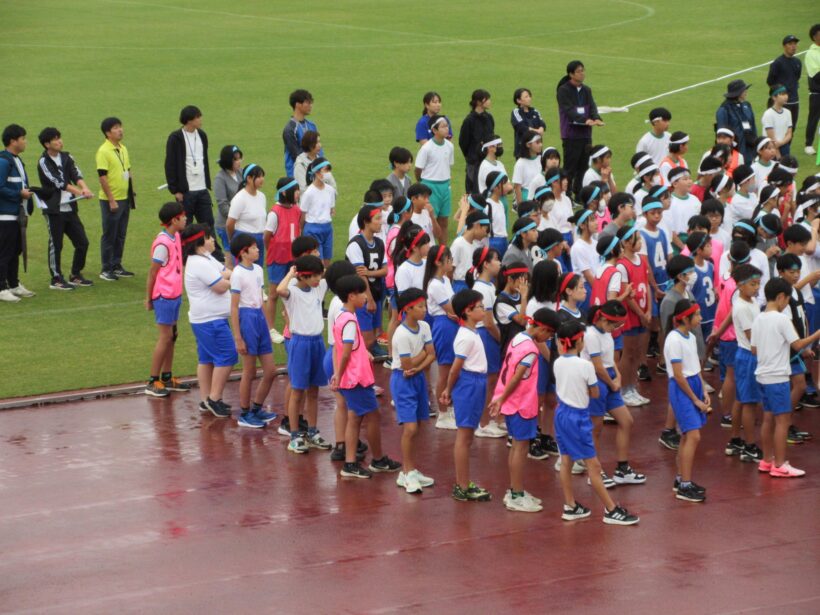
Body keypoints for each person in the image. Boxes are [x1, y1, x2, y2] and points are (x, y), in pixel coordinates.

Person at [553, 318, 640, 524]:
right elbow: (594, 393)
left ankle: (570, 505)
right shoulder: (586, 366)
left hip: (561, 414)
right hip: (578, 418)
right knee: (594, 465)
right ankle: (611, 510)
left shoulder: (557, 362)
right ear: (580, 342)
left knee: (566, 461)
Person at [331, 273, 401, 479]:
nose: (365, 297)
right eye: (362, 293)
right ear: (351, 296)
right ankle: (375, 460)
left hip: (352, 378)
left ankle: (351, 463)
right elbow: (344, 352)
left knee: (355, 417)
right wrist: (339, 374)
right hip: (356, 379)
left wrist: (364, 353)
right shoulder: (351, 320)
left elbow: (348, 346)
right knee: (371, 416)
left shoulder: (342, 316)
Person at [489, 307, 557, 513]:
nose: (548, 339)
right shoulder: (531, 349)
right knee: (521, 448)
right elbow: (517, 376)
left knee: (517, 447)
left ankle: (514, 490)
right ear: (543, 329)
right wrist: (502, 398)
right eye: (549, 334)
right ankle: (516, 494)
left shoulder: (518, 338)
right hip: (521, 404)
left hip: (512, 403)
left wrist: (501, 397)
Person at [752, 277, 820, 477]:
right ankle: (780, 465)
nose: (786, 305)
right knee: (782, 421)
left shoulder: (758, 318)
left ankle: (767, 460)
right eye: (787, 301)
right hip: (778, 376)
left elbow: (754, 349)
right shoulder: (782, 319)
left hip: (763, 375)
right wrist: (817, 334)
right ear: (781, 297)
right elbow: (798, 345)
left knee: (767, 419)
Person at [439, 289, 493, 501]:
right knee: (464, 436)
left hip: (475, 383)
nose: (483, 309)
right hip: (469, 384)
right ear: (468, 311)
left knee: (468, 435)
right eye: (479, 306)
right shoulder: (465, 337)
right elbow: (454, 369)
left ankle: (463, 482)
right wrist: (448, 390)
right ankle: (462, 485)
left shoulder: (472, 332)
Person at [276, 255, 332, 454]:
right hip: (300, 343)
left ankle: (313, 431)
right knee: (298, 391)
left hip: (317, 342)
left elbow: (332, 274)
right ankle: (294, 435)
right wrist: (291, 272)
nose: (319, 279)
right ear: (303, 276)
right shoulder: (292, 292)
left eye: (320, 275)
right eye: (315, 275)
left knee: (314, 390)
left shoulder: (318, 287)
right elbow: (279, 290)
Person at [181, 224, 236, 418]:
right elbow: (221, 286)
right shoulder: (200, 263)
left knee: (206, 359)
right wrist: (238, 283)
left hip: (205, 320)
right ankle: (214, 398)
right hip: (211, 321)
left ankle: (206, 400)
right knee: (228, 355)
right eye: (209, 237)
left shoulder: (205, 259)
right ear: (199, 242)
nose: (213, 240)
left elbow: (226, 272)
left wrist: (227, 278)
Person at [229, 234, 278, 429]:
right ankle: (245, 412)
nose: (258, 250)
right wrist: (238, 337)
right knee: (249, 371)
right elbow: (234, 307)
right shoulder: (237, 274)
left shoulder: (258, 270)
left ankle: (257, 407)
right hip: (247, 318)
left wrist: (269, 327)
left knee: (271, 370)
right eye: (254, 247)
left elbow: (260, 298)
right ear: (243, 252)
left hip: (258, 316)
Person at [392, 288, 437, 494]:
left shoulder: (425, 326)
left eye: (424, 306)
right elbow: (406, 364)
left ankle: (411, 469)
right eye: (420, 306)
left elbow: (432, 354)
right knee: (409, 429)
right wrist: (418, 362)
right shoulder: (401, 334)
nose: (424, 310)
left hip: (417, 378)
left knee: (417, 426)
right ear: (408, 309)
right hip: (402, 381)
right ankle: (406, 472)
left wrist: (417, 367)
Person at [35, 127, 93, 290]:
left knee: (82, 242)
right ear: (47, 144)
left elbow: (76, 174)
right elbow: (58, 182)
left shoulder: (67, 157)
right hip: (54, 209)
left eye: (60, 137)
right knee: (56, 244)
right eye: (55, 139)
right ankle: (56, 278)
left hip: (69, 208)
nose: (60, 141)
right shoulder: (43, 162)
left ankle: (75, 274)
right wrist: (80, 191)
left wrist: (84, 187)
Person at [664, 299, 710, 503]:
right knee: (694, 436)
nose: (700, 318)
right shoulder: (673, 340)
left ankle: (681, 480)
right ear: (684, 318)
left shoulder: (690, 337)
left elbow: (695, 367)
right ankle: (685, 485)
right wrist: (695, 399)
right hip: (682, 388)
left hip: (693, 384)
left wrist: (703, 389)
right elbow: (678, 375)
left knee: (686, 436)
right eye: (697, 315)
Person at [144, 201, 189, 397]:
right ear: (174, 220)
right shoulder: (162, 244)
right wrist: (149, 298)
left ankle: (167, 377)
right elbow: (152, 273)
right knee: (165, 337)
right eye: (183, 216)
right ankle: (153, 381)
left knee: (173, 336)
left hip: (174, 293)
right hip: (164, 295)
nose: (186, 218)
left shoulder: (176, 236)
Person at [165, 106, 222, 260]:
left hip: (202, 188)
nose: (200, 120)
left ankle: (215, 255)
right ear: (189, 120)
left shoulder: (202, 135)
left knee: (208, 224)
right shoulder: (176, 138)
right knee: (184, 225)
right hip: (186, 191)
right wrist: (175, 190)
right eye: (198, 117)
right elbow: (170, 164)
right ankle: (182, 256)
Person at [556, 60, 603, 198]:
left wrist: (596, 118)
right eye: (579, 71)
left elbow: (592, 106)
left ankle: (579, 194)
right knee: (570, 168)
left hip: (586, 134)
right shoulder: (563, 90)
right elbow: (569, 110)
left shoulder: (586, 90)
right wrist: (585, 120)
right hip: (571, 134)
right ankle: (566, 194)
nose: (582, 73)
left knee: (583, 166)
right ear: (571, 74)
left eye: (583, 70)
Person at [96, 117, 135, 281]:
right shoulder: (103, 151)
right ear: (107, 133)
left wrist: (132, 191)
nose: (120, 130)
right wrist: (111, 199)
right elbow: (102, 178)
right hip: (111, 200)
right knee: (110, 234)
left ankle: (116, 264)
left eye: (120, 126)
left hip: (124, 198)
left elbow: (128, 170)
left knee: (121, 233)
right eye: (116, 128)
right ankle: (106, 268)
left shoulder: (123, 148)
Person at [346, 204, 387, 356]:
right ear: (366, 222)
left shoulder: (379, 243)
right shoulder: (356, 244)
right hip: (362, 296)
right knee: (367, 339)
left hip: (376, 293)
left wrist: (370, 272)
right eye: (377, 219)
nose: (381, 222)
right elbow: (360, 275)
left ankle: (370, 352)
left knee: (374, 333)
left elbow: (385, 270)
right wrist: (368, 298)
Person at [264, 177, 301, 343]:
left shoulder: (296, 209)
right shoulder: (274, 213)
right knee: (273, 295)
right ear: (285, 192)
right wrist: (274, 250)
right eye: (296, 190)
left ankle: (291, 324)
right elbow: (267, 237)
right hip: (278, 259)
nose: (298, 193)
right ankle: (270, 329)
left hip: (292, 259)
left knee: (291, 291)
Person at [415, 115, 454, 243]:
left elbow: (448, 166)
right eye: (443, 126)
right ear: (434, 130)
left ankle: (443, 251)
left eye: (447, 125)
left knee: (444, 220)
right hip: (430, 186)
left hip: (445, 186)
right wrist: (422, 185)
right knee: (431, 220)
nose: (446, 128)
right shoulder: (426, 148)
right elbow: (418, 169)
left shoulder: (449, 146)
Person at [227, 164, 267, 267]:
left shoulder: (262, 196)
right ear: (249, 178)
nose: (262, 179)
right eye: (258, 177)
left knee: (257, 270)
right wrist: (233, 239)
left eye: (262, 176)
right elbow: (230, 224)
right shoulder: (240, 198)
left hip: (259, 240)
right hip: (244, 240)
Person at [300, 158, 336, 266]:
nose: (328, 174)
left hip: (327, 228)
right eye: (325, 170)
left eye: (329, 171)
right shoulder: (309, 193)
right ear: (316, 172)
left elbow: (331, 209)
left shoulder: (330, 190)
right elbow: (303, 215)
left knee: (327, 261)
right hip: (312, 229)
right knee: (317, 263)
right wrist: (302, 232)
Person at [458, 89, 494, 194]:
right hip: (474, 162)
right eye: (486, 99)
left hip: (488, 159)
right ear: (478, 102)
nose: (489, 102)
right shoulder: (469, 120)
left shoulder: (489, 118)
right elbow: (463, 142)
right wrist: (471, 155)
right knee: (473, 190)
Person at [767, 35, 802, 135]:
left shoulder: (798, 62)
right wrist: (780, 94)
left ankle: (786, 150)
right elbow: (770, 81)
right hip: (782, 102)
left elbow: (797, 78)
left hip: (795, 101)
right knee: (779, 130)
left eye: (795, 44)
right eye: (790, 44)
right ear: (784, 46)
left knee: (791, 129)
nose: (793, 46)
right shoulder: (777, 63)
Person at [716, 79, 757, 164]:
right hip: (735, 151)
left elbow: (753, 127)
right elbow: (722, 135)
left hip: (749, 149)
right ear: (738, 93)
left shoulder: (747, 105)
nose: (746, 92)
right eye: (744, 90)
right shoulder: (724, 110)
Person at [282, 89, 319, 177]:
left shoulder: (312, 126)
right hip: (297, 174)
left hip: (314, 172)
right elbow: (296, 155)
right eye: (308, 103)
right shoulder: (290, 129)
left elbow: (318, 150)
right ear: (298, 104)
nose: (311, 106)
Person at [213, 145, 243, 252]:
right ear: (227, 160)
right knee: (231, 255)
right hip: (225, 225)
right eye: (235, 159)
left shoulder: (241, 172)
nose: (239, 161)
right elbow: (222, 205)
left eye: (240, 158)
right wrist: (237, 216)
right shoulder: (220, 178)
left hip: (240, 222)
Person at [510, 87, 546, 159]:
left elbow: (542, 124)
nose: (529, 98)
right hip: (523, 152)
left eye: (529, 96)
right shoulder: (516, 112)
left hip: (537, 151)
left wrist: (541, 129)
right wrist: (537, 131)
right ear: (518, 100)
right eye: (526, 97)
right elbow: (521, 127)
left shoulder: (534, 111)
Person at [761, 85, 794, 157]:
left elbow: (789, 134)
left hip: (784, 146)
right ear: (774, 97)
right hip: (770, 148)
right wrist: (778, 154)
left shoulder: (788, 112)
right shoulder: (768, 114)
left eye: (786, 94)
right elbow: (771, 137)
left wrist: (781, 143)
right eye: (782, 94)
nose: (785, 96)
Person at [804, 25, 820, 155]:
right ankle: (808, 144)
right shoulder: (811, 53)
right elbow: (816, 74)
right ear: (814, 37)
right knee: (814, 118)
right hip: (817, 93)